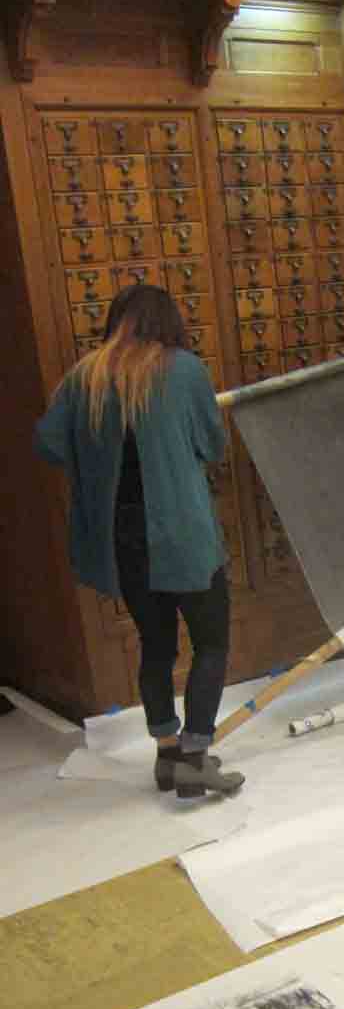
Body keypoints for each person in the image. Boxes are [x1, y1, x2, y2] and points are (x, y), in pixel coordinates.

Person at [35, 284, 244, 798]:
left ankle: (168, 756)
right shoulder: (183, 369)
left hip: (123, 537)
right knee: (211, 641)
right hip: (183, 532)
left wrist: (97, 463)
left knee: (155, 645)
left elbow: (48, 442)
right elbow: (213, 446)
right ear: (168, 321)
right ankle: (197, 757)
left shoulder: (86, 376)